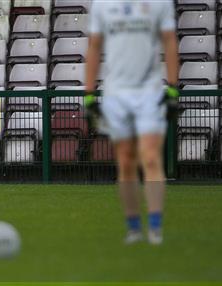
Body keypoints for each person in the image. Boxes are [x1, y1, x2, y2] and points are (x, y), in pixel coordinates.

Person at [84, 0, 180, 245]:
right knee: (125, 160)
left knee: (149, 156)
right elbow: (94, 46)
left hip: (150, 91)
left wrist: (173, 89)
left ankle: (156, 228)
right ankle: (134, 228)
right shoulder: (102, 5)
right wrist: (89, 93)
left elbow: (169, 40)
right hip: (116, 93)